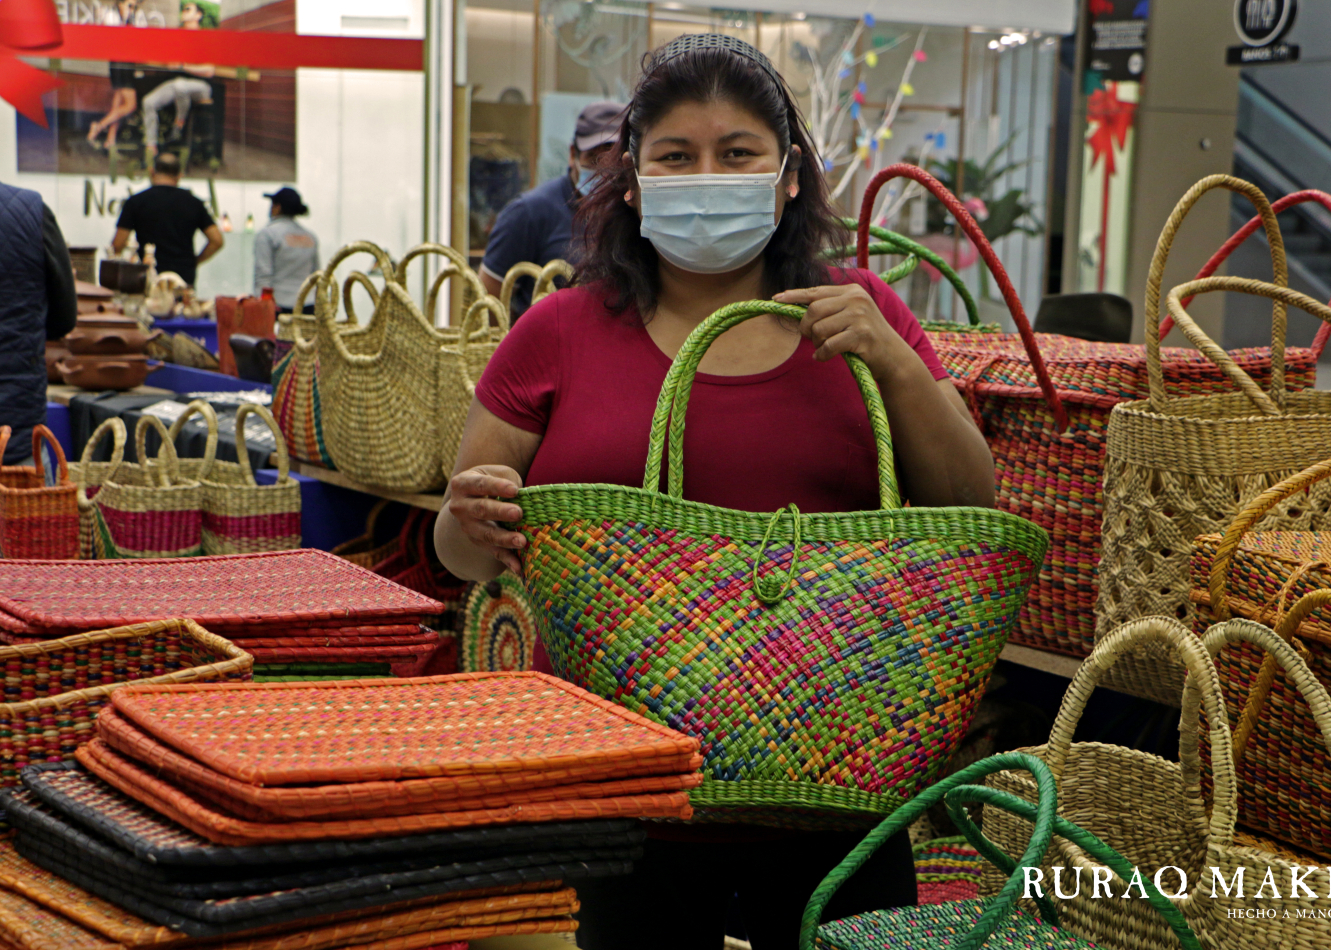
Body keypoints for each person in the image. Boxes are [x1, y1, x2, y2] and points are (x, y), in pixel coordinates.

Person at [434, 33, 994, 950]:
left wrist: (891, 358)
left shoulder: (865, 318)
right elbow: (462, 556)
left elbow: (976, 509)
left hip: (840, 781)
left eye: (736, 155)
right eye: (675, 157)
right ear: (633, 180)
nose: (707, 176)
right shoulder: (558, 331)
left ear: (787, 178)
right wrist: (470, 520)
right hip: (628, 786)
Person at [479, 100, 626, 318]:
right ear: (572, 155)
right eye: (593, 158)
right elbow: (488, 304)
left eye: (612, 159)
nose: (602, 171)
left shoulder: (634, 214)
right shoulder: (528, 214)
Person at [0, 183, 77, 467]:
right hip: (14, 427)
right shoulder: (32, 210)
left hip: (15, 419)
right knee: (26, 509)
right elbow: (64, 319)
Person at [113, 152, 224, 287]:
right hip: (183, 278)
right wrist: (194, 262)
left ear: (152, 172)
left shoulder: (136, 202)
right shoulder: (194, 203)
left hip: (147, 277)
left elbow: (118, 244)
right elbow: (216, 240)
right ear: (179, 175)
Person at [253, 187, 320, 313]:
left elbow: (263, 275)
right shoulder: (310, 237)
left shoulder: (268, 234)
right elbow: (317, 274)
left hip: (278, 305)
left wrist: (262, 306)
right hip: (308, 305)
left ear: (277, 207)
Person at [86, 0, 139, 150]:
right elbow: (110, 38)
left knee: (118, 103)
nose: (132, 7)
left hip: (126, 63)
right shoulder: (112, 15)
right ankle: (99, 126)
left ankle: (110, 140)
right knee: (130, 105)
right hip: (120, 64)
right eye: (129, 4)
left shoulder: (133, 15)